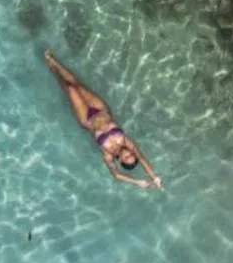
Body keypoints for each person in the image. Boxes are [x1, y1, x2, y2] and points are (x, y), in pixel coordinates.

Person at [44, 51, 162, 190]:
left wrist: (138, 182)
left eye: (127, 157)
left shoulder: (108, 155)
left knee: (70, 89)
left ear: (121, 160)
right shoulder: (127, 143)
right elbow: (142, 159)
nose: (128, 154)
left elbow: (116, 175)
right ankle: (54, 61)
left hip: (87, 119)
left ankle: (55, 72)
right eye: (131, 155)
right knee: (76, 84)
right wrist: (155, 177)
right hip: (101, 109)